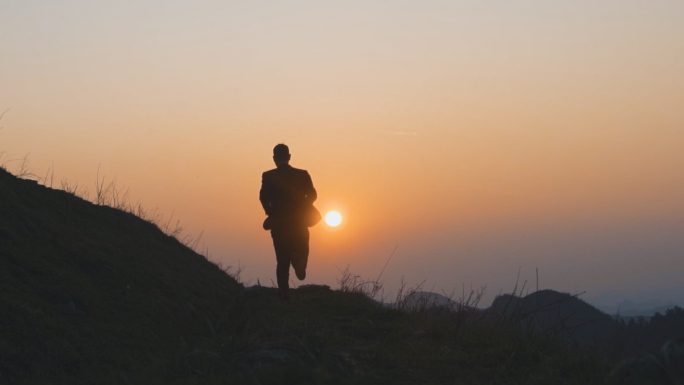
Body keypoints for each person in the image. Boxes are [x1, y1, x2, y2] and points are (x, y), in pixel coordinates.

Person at [259, 144, 317, 300]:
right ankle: (300, 262)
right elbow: (313, 195)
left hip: (279, 224)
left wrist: (271, 213)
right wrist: (304, 206)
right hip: (299, 222)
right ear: (289, 157)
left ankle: (284, 294)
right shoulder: (303, 174)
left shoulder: (268, 176)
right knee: (302, 248)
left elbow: (263, 198)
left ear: (274, 159)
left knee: (282, 261)